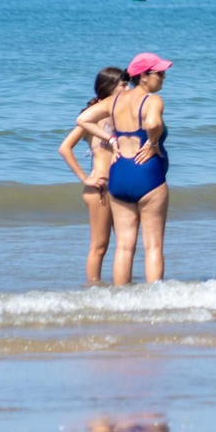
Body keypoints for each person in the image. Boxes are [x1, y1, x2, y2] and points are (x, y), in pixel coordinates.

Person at [78, 52, 171, 285]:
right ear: (144, 76)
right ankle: (156, 302)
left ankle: (121, 302)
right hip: (147, 174)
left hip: (119, 175)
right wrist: (152, 142)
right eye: (159, 73)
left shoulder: (114, 101)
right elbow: (152, 123)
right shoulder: (153, 101)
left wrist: (110, 139)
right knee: (153, 245)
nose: (163, 77)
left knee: (124, 247)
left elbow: (83, 120)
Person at [59, 67, 127, 283]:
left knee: (126, 243)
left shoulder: (124, 114)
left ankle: (123, 287)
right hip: (100, 187)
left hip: (122, 186)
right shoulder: (92, 117)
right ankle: (94, 291)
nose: (128, 88)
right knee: (100, 246)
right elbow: (64, 148)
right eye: (123, 85)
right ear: (109, 88)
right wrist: (85, 178)